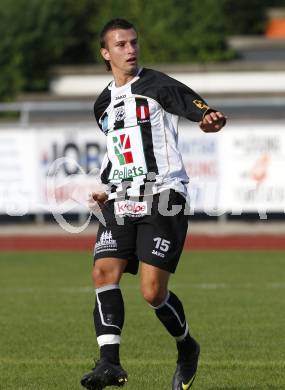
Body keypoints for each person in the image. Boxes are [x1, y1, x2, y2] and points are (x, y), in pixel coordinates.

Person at [81, 18, 226, 390]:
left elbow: (197, 108)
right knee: (103, 272)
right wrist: (104, 186)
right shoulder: (102, 105)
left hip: (164, 195)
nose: (130, 50)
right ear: (105, 53)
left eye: (133, 42)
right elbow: (120, 152)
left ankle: (187, 346)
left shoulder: (157, 84)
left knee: (152, 292)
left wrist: (207, 118)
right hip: (121, 196)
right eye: (121, 44)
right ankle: (109, 363)